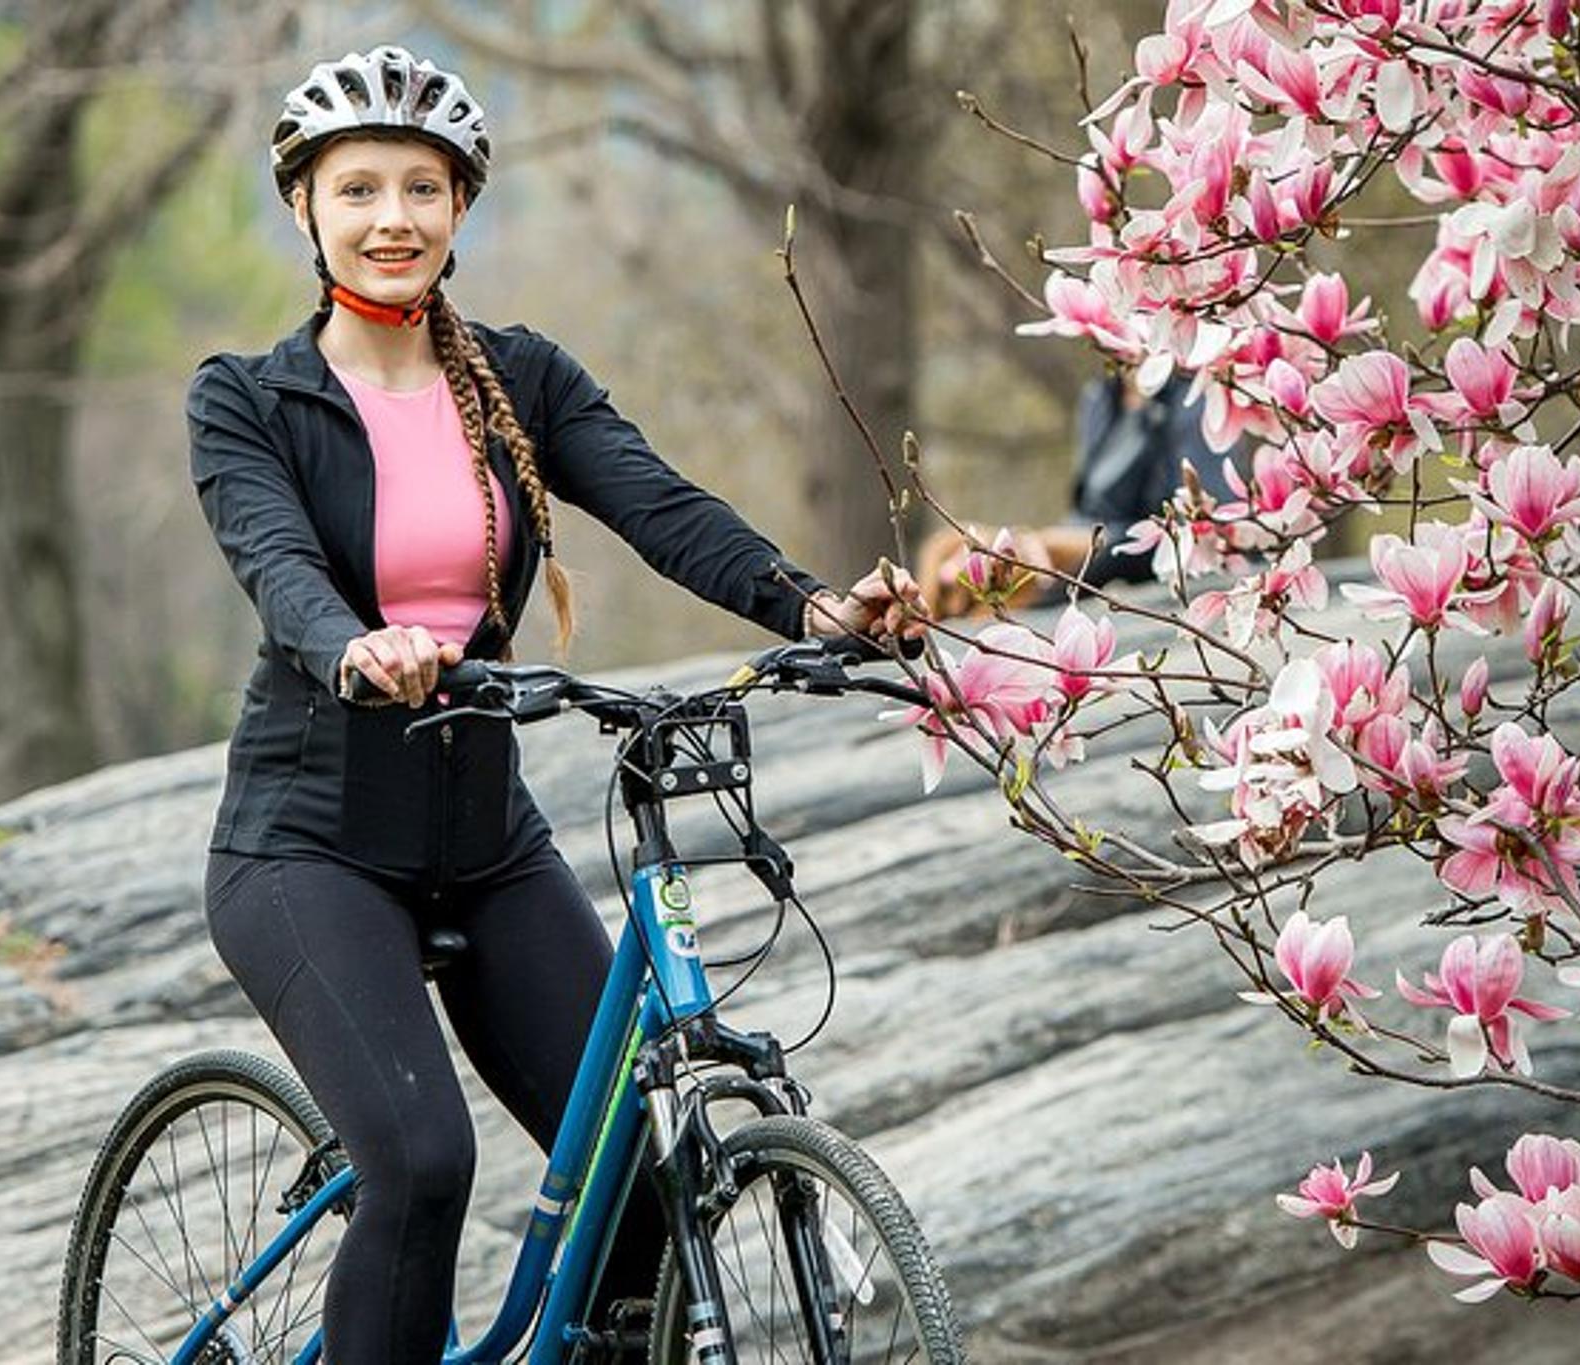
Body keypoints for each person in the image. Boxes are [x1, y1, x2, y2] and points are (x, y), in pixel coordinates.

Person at [186, 45, 920, 1364]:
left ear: (461, 205)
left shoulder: (522, 381)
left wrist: (815, 610)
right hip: (306, 846)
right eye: (358, 189)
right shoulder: (248, 399)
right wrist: (354, 646)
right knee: (421, 1163)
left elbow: (659, 505)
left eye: (422, 188)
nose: (393, 218)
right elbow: (276, 563)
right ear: (304, 207)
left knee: (639, 1186)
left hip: (486, 842)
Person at [917, 367, 1239, 618]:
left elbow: (1208, 531)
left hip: (1163, 556)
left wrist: (1042, 544)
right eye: (949, 591)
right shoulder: (1101, 399)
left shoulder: (1188, 399)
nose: (949, 572)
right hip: (1118, 559)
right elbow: (1094, 519)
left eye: (953, 554)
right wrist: (1043, 548)